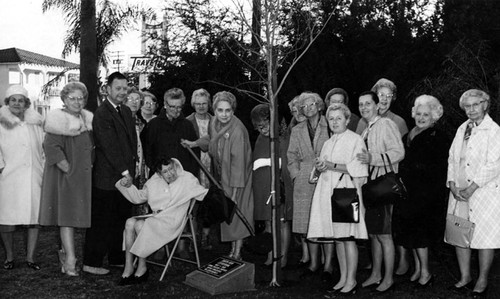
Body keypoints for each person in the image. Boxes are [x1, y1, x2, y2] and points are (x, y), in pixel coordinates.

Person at [182, 91, 254, 260]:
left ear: (233, 110)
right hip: (223, 175)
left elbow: (239, 165)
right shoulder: (215, 122)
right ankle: (232, 249)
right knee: (228, 214)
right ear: (215, 110)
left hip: (239, 179)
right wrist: (194, 144)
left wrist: (235, 194)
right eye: (220, 110)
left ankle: (237, 252)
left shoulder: (238, 131)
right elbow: (210, 138)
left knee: (236, 212)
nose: (223, 114)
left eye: (227, 110)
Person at [115, 158, 208, 285]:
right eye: (165, 172)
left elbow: (204, 194)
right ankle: (128, 266)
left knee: (140, 224)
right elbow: (138, 197)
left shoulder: (187, 179)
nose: (170, 174)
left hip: (172, 221)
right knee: (130, 222)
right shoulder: (154, 182)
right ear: (159, 174)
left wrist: (221, 198)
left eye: (171, 169)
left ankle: (142, 267)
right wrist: (126, 185)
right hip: (157, 218)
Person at [308, 103, 368, 295]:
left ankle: (351, 280)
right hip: (329, 192)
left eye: (339, 118)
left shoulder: (356, 140)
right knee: (338, 239)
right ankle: (342, 278)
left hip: (346, 192)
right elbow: (320, 169)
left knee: (348, 238)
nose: (334, 122)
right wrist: (319, 167)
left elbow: (358, 168)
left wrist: (331, 165)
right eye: (331, 118)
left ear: (347, 120)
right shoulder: (328, 142)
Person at [446, 89, 500, 298]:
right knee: (460, 233)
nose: (471, 110)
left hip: (483, 192)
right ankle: (465, 276)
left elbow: (494, 164)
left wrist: (472, 188)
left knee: (484, 237)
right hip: (459, 191)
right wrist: (452, 182)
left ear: (485, 104)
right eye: (467, 106)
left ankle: (483, 278)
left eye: (475, 105)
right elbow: (452, 157)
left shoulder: (494, 130)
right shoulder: (463, 128)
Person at [83, 72, 138, 275]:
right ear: (108, 89)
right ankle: (91, 262)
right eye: (118, 88)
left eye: (125, 88)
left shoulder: (125, 110)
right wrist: (125, 171)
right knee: (101, 221)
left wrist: (132, 169)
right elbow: (109, 146)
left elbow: (129, 143)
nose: (122, 92)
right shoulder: (102, 113)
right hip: (107, 178)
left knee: (120, 219)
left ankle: (116, 258)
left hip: (124, 177)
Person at [393, 95, 449, 286]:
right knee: (411, 233)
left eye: (426, 114)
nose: (422, 117)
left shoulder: (438, 138)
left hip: (425, 195)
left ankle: (426, 272)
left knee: (421, 234)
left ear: (434, 116)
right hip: (407, 193)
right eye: (419, 113)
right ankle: (417, 268)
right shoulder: (407, 135)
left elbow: (438, 169)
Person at [39, 82, 93, 276]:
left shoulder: (86, 119)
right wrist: (68, 170)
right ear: (64, 99)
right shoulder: (57, 119)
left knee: (72, 215)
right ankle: (70, 259)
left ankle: (65, 254)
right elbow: (51, 147)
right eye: (72, 98)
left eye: (80, 98)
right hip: (66, 177)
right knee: (67, 217)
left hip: (83, 176)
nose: (77, 102)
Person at [356, 78, 409, 275]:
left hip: (383, 186)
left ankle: (388, 278)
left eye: (368, 104)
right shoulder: (367, 127)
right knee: (374, 234)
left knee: (385, 235)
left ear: (377, 106)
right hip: (370, 187)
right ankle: (376, 274)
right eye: (361, 105)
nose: (364, 108)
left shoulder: (386, 124)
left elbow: (398, 153)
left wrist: (373, 158)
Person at [287, 92, 331, 281]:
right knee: (308, 223)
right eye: (303, 106)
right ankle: (314, 262)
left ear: (319, 105)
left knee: (327, 223)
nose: (308, 108)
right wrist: (296, 174)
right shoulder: (297, 130)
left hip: (327, 176)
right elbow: (291, 156)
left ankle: (329, 264)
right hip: (304, 179)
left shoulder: (329, 124)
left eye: (311, 104)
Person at [0, 85, 44, 270]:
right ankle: (10, 257)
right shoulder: (1, 122)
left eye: (20, 100)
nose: (17, 103)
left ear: (26, 103)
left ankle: (30, 257)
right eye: (13, 100)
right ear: (7, 102)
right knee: (6, 219)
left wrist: (43, 168)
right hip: (9, 176)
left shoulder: (35, 122)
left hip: (34, 176)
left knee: (34, 218)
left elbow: (43, 147)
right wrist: (1, 168)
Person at [251, 104, 292, 267]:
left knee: (282, 222)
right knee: (268, 222)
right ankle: (270, 254)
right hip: (263, 186)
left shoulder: (283, 138)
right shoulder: (261, 139)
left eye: (266, 124)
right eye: (259, 126)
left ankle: (283, 256)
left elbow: (286, 162)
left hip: (279, 185)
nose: (263, 129)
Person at [142, 88, 199, 177]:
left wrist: (189, 175)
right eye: (172, 106)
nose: (175, 110)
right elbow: (148, 152)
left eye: (179, 107)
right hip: (160, 176)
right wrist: (158, 170)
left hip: (183, 177)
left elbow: (195, 153)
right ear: (165, 104)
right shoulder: (153, 125)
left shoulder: (188, 125)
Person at [186, 88, 213, 250]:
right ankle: (193, 239)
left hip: (211, 167)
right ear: (193, 104)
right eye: (198, 104)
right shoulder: (188, 121)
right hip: (194, 167)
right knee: (194, 204)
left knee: (209, 203)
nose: (201, 107)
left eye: (204, 103)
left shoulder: (215, 120)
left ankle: (206, 237)